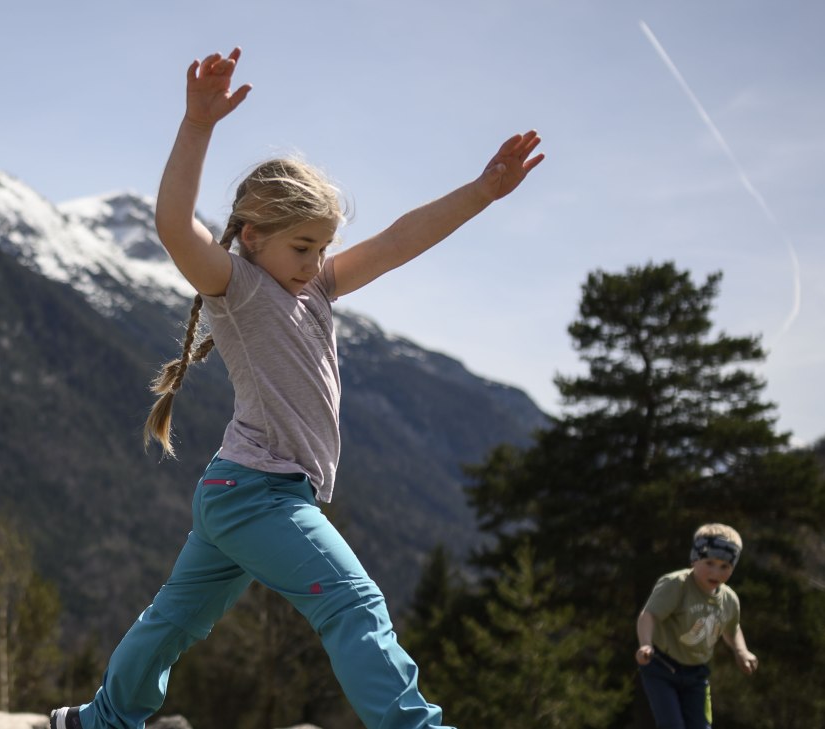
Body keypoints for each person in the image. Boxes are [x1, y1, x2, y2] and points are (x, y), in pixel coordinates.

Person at [48, 47, 544, 729]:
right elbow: (171, 225)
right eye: (301, 246)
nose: (314, 263)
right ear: (251, 236)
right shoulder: (236, 285)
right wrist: (196, 125)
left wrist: (481, 190)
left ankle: (98, 721)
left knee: (172, 620)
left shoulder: (318, 287)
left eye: (320, 247)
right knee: (351, 602)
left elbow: (402, 239)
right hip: (255, 492)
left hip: (241, 490)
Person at [634, 523, 759, 729]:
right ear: (695, 559)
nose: (716, 572)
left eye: (724, 566)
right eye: (709, 562)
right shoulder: (676, 585)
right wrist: (645, 645)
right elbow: (649, 616)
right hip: (661, 666)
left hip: (696, 674)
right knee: (672, 724)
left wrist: (742, 652)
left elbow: (732, 628)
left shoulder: (729, 600)